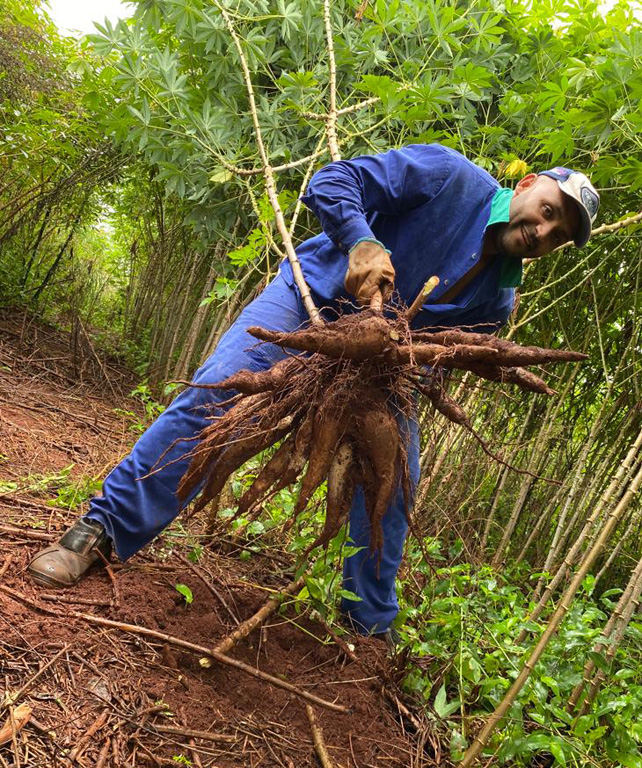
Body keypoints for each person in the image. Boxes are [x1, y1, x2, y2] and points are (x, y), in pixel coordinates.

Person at [28, 145, 599, 638]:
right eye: (548, 211)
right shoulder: (450, 175)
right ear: (526, 186)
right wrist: (361, 242)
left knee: (395, 478)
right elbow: (331, 180)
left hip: (381, 369)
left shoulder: (498, 300)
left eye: (559, 236)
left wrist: (402, 381)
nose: (544, 231)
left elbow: (441, 359)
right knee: (212, 399)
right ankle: (102, 530)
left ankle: (368, 626)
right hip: (312, 304)